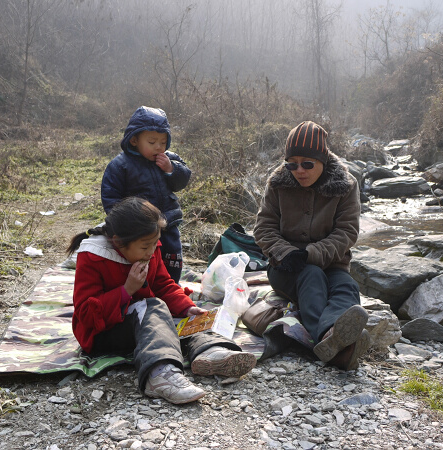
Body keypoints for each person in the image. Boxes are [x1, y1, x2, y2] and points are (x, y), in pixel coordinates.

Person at [68, 197, 256, 404]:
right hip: (103, 332)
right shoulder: (93, 256)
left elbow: (163, 284)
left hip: (145, 320)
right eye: (145, 247)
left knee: (179, 315)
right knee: (153, 307)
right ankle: (160, 373)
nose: (151, 252)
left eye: (154, 244)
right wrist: (127, 290)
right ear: (119, 243)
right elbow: (86, 315)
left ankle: (209, 351)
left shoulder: (148, 245)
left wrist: (186, 308)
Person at [253, 120, 370, 371]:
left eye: (307, 164)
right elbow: (263, 228)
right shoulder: (277, 183)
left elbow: (346, 232)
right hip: (285, 267)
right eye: (291, 164)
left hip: (332, 263)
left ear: (323, 161)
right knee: (312, 276)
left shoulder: (346, 186)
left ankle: (334, 338)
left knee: (346, 286)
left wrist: (311, 253)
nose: (299, 171)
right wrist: (285, 253)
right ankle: (326, 338)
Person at [101, 106, 190, 283]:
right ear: (134, 140)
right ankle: (142, 290)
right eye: (152, 142)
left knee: (172, 259)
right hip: (138, 229)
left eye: (163, 142)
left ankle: (171, 287)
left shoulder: (169, 159)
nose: (158, 147)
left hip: (168, 223)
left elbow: (182, 182)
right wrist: (123, 224)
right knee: (142, 261)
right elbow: (111, 198)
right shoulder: (120, 166)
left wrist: (171, 169)